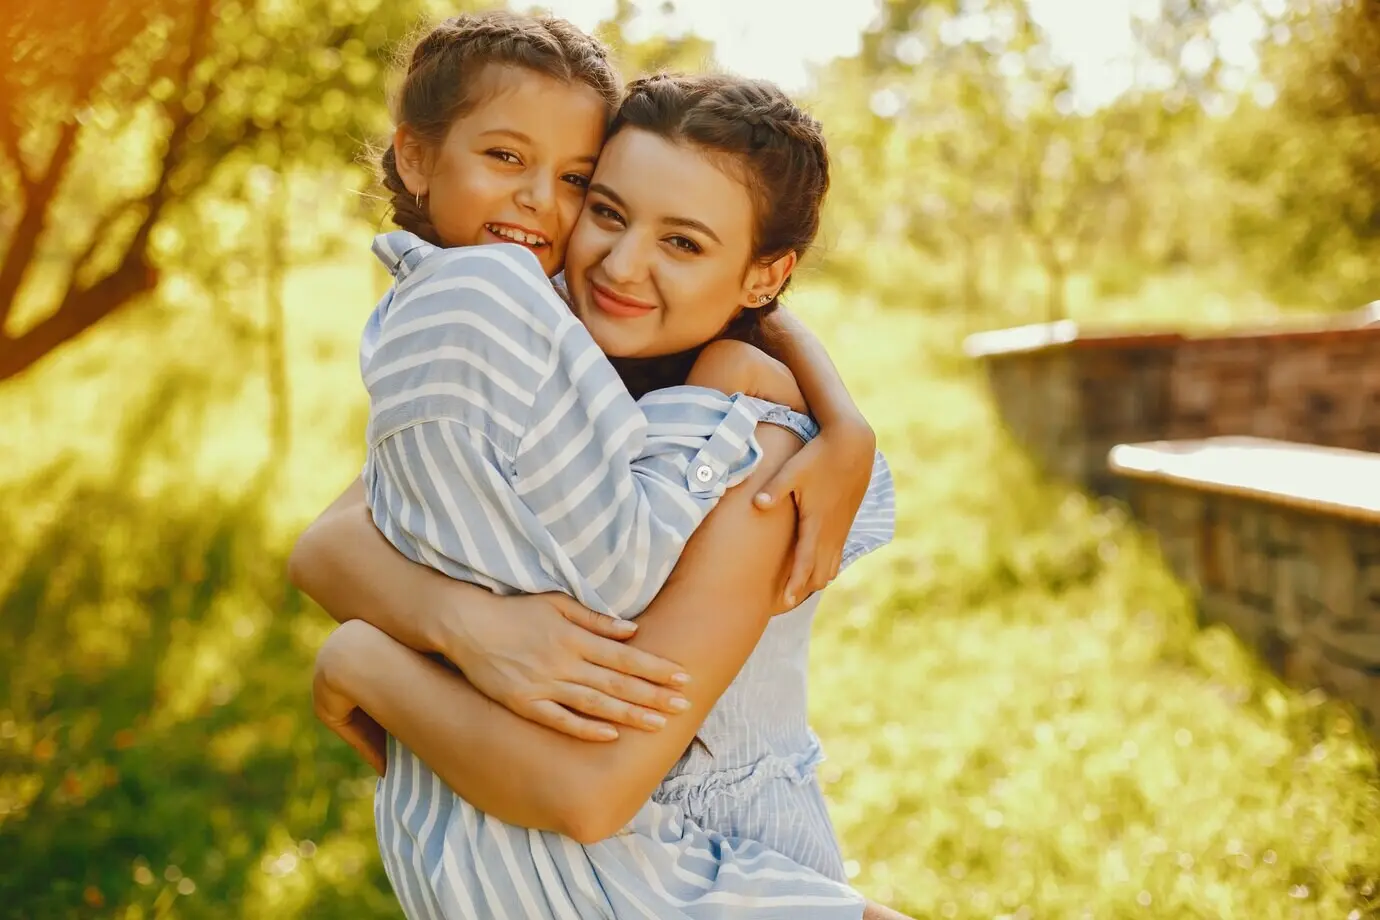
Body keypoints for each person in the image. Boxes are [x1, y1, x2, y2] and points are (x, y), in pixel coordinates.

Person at [291, 12, 906, 920]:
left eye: (683, 243)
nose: (619, 263)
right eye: (606, 209)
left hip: (713, 874)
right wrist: (466, 626)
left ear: (763, 275)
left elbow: (590, 794)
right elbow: (329, 546)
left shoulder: (763, 448)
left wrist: (366, 661)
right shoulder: (547, 363)